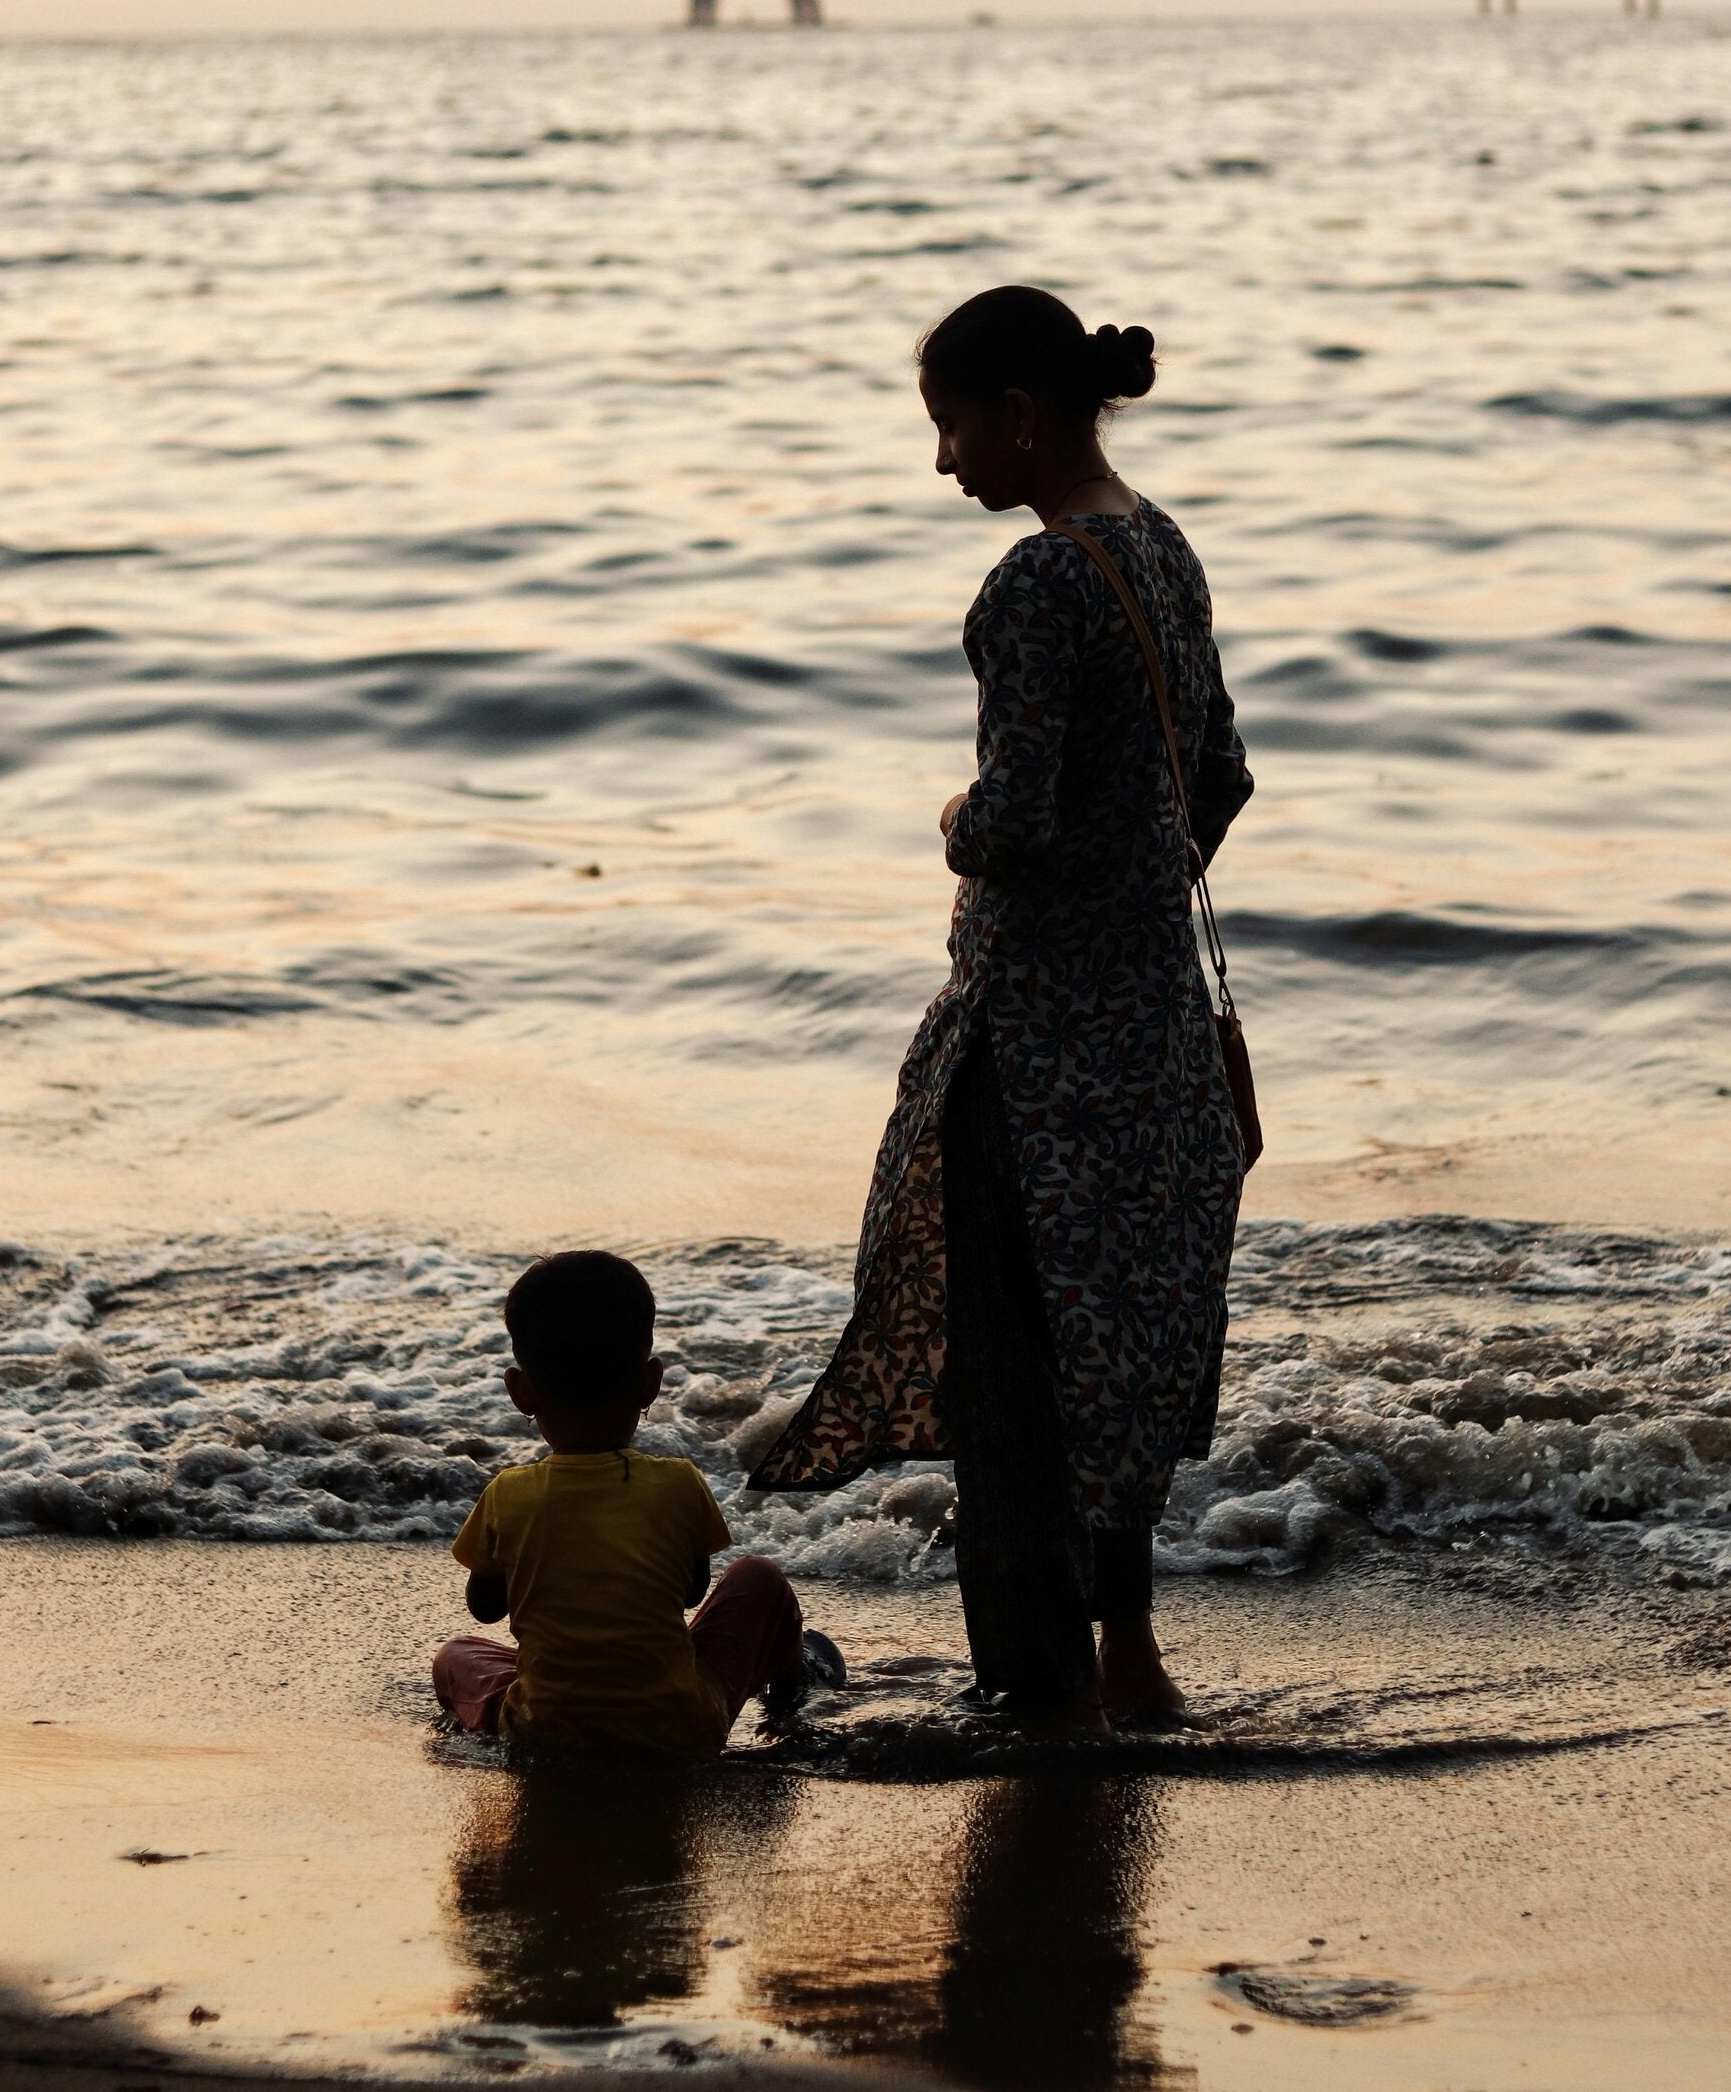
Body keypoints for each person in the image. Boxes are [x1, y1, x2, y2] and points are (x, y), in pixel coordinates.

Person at [752, 285, 1252, 1734]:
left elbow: (1014, 819)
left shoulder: (1035, 583)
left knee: (1013, 1367)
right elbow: (1216, 777)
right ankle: (1130, 1660)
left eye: (953, 426)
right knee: (1111, 1349)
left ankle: (1045, 1692)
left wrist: (953, 820)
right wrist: (1129, 892)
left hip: (1032, 1045)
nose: (944, 460)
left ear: (1022, 417)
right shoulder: (1162, 546)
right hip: (1151, 1025)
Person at [432, 1249, 842, 1752]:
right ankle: (792, 1678)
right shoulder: (679, 1482)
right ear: (650, 1383)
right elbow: (691, 1592)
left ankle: (547, 1700)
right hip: (681, 1728)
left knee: (458, 1655)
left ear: (520, 1391)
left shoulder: (507, 1493)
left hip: (544, 1730)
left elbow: (484, 1608)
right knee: (759, 1576)